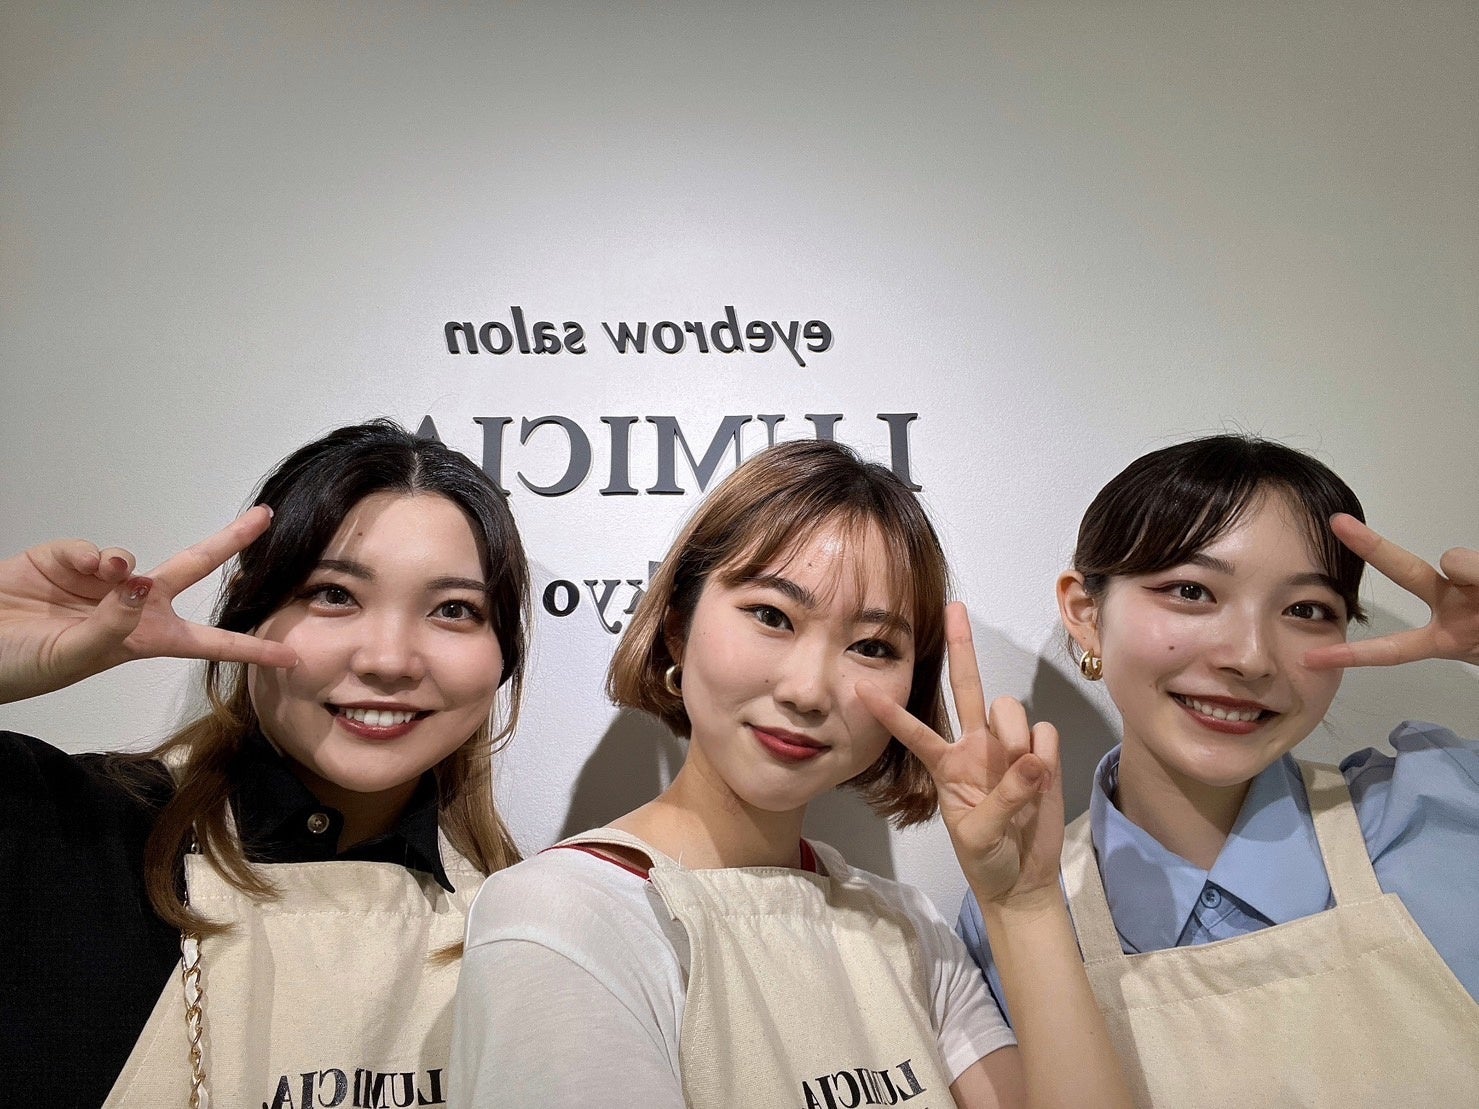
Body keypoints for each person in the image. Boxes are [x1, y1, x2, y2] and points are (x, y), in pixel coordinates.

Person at [451, 440, 1130, 1108]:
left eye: (871, 646)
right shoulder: (562, 916)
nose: (808, 691)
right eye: (771, 616)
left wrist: (1023, 905)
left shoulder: (909, 929)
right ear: (678, 627)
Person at [0, 420, 530, 1108]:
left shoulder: (529, 921)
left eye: (454, 609)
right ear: (249, 613)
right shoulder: (56, 831)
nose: (389, 660)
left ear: (502, 655)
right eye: (334, 594)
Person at [957, 434, 1479, 1105]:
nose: (1250, 656)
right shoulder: (1016, 900)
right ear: (1086, 614)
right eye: (1191, 591)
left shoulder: (1446, 807)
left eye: (1306, 610)